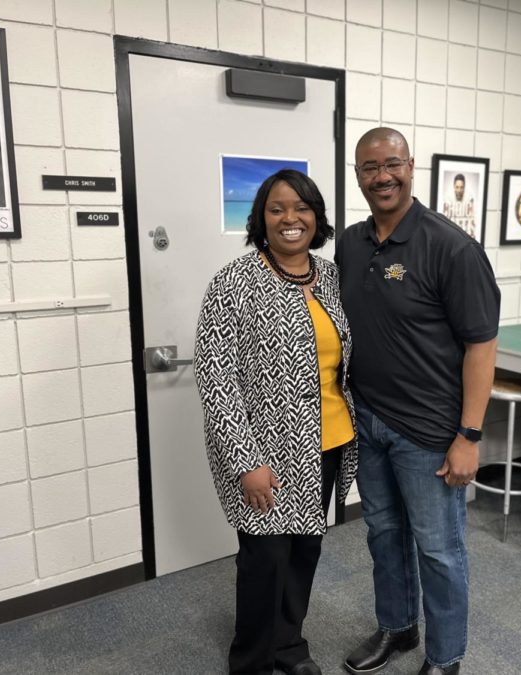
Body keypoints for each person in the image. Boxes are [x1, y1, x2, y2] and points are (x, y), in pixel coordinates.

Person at [336, 128, 500, 675]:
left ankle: (445, 656)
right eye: (368, 167)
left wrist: (469, 436)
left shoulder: (451, 247)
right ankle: (398, 627)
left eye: (392, 164)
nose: (381, 176)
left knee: (438, 549)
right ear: (357, 175)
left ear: (411, 168)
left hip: (428, 433)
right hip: (369, 420)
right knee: (383, 533)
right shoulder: (351, 244)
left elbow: (481, 346)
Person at [194, 168, 357, 675]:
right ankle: (252, 662)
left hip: (327, 443)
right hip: (265, 456)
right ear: (261, 220)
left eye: (302, 208)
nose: (291, 218)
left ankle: (289, 647)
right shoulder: (235, 281)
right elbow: (215, 378)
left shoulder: (329, 276)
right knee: (264, 560)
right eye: (277, 209)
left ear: (317, 218)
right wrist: (245, 462)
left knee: (305, 553)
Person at [442, 173, 476, 239]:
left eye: (461, 187)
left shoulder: (469, 200)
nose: (459, 190)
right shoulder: (448, 199)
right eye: (457, 187)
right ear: (454, 187)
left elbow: (472, 222)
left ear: (464, 188)